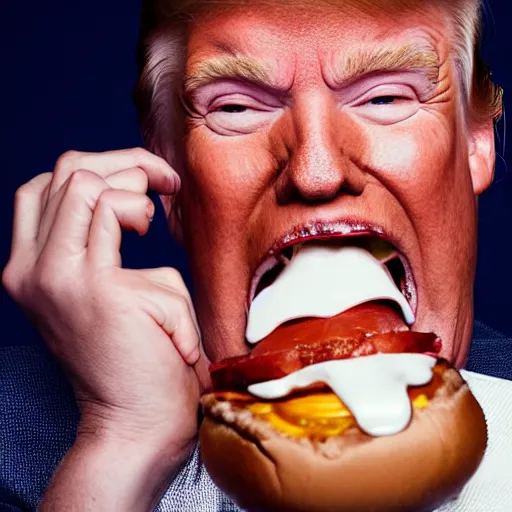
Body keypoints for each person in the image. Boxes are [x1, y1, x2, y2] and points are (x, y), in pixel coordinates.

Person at [1, 0, 511, 510]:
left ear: (475, 142)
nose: (315, 171)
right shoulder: (15, 446)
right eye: (236, 108)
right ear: (169, 172)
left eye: (384, 98)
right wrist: (123, 442)